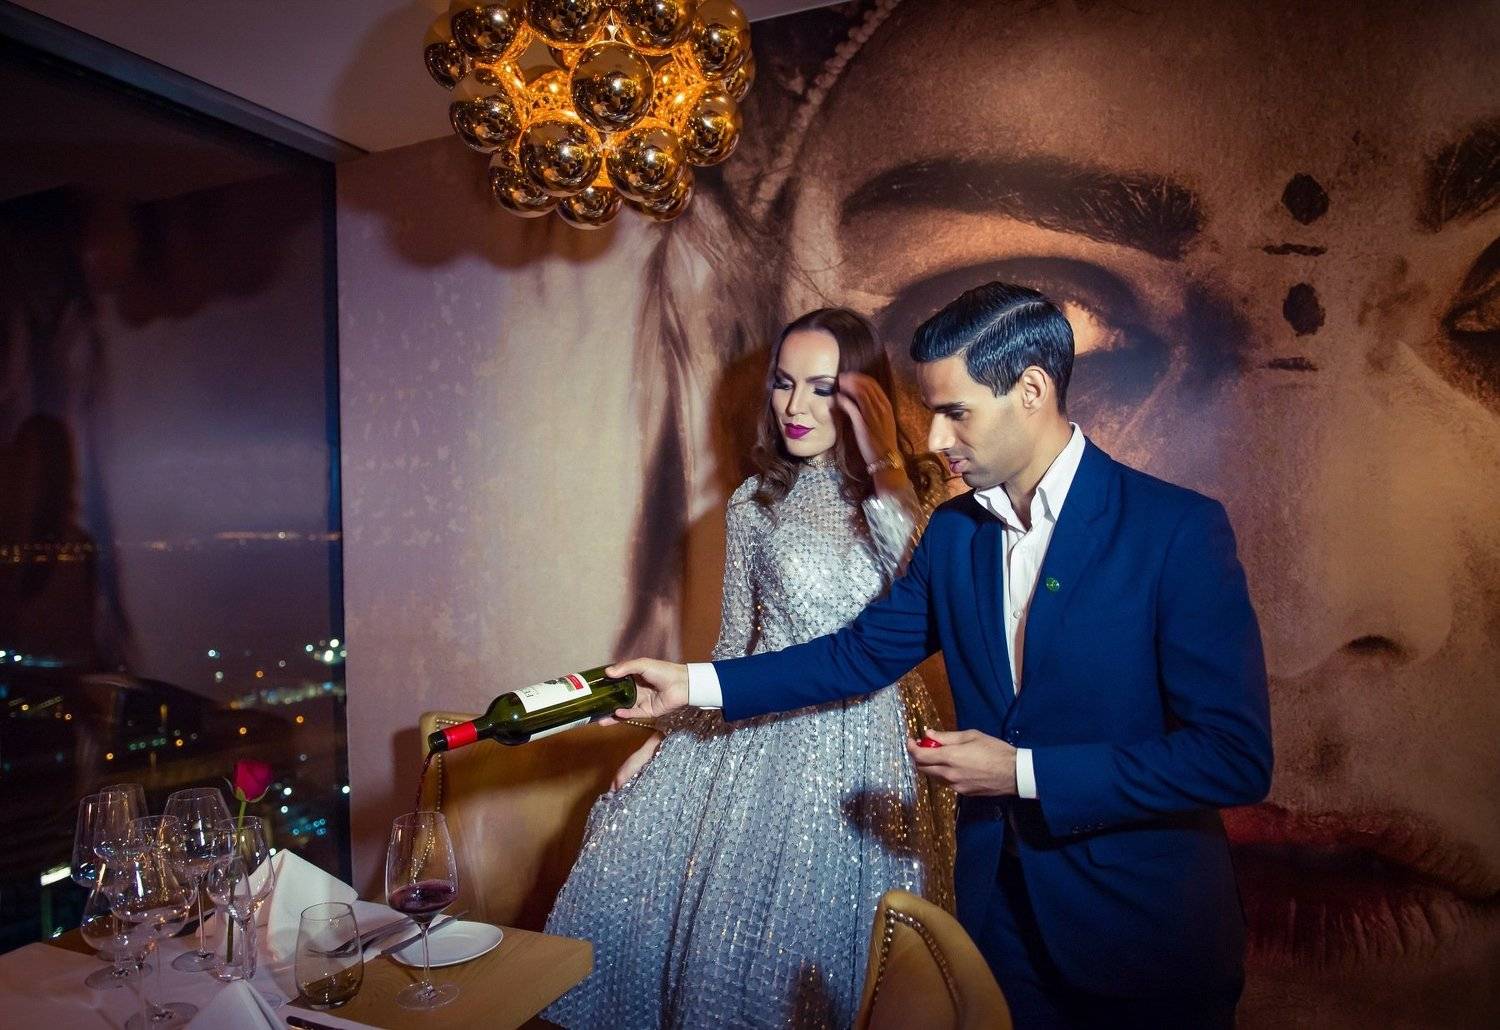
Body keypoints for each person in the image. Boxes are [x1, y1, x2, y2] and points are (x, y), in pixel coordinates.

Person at [613, 282, 1274, 1027]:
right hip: (998, 926)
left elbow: (1234, 758)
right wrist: (688, 685)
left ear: (1031, 391)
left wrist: (1019, 772)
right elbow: (857, 657)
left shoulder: (1175, 530)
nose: (933, 439)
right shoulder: (956, 531)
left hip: (1143, 932)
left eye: (956, 412)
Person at [543, 308, 954, 1029]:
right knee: (661, 874)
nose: (795, 406)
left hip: (867, 741)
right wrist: (665, 738)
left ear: (865, 396)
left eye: (822, 388)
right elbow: (736, 643)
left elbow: (920, 595)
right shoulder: (754, 502)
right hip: (762, 732)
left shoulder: (909, 493)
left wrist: (884, 463)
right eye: (784, 383)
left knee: (833, 950)